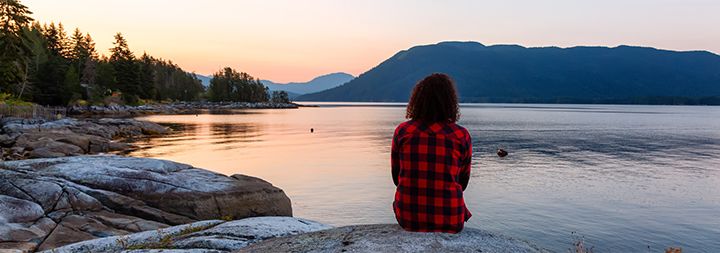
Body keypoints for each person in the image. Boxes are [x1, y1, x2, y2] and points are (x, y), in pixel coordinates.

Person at [391, 73, 473, 233]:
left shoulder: (403, 131)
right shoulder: (461, 135)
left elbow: (396, 177)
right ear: (450, 102)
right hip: (451, 218)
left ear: (417, 100)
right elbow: (463, 182)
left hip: (408, 218)